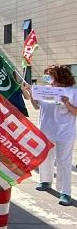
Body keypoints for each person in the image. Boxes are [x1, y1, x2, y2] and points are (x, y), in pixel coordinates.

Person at [26, 65, 76, 206]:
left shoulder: (72, 92)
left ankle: (65, 192)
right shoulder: (45, 90)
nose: (48, 78)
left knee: (63, 162)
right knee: (45, 158)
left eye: (50, 75)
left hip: (64, 133)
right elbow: (36, 106)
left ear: (59, 76)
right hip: (46, 131)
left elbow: (75, 112)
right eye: (47, 75)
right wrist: (31, 94)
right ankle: (46, 180)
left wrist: (66, 103)